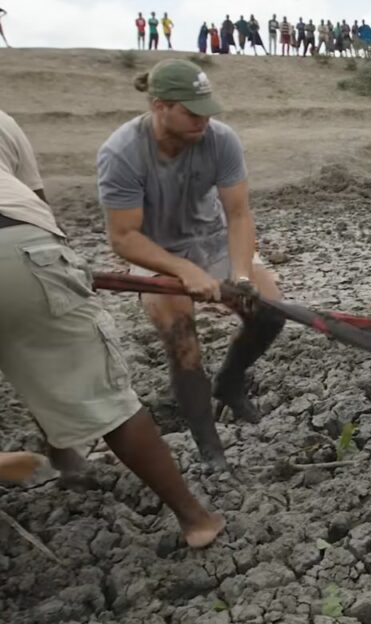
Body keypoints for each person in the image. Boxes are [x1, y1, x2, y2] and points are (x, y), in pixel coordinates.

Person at [0, 108, 225, 547]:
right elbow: (37, 204)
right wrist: (58, 266)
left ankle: (63, 458)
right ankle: (196, 519)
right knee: (97, 389)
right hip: (16, 246)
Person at [96, 59, 285, 469]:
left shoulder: (221, 140)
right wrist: (183, 271)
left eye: (208, 109)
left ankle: (230, 384)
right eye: (192, 111)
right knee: (183, 345)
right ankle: (210, 448)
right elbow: (124, 238)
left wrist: (238, 275)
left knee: (269, 311)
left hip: (211, 240)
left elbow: (238, 214)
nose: (205, 119)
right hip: (156, 252)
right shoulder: (122, 153)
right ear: (160, 106)